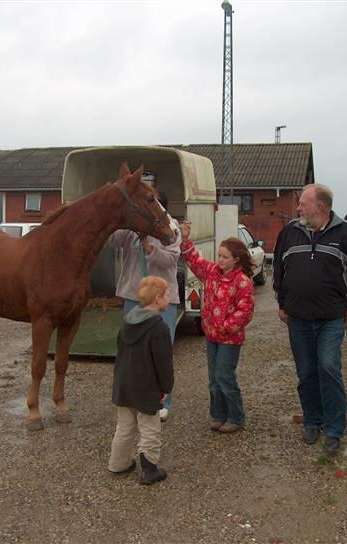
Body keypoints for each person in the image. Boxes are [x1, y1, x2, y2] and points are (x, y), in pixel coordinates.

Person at [273, 184, 347, 456]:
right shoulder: (290, 232)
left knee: (328, 368)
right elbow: (278, 270)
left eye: (303, 203)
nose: (298, 208)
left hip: (331, 318)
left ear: (320, 207)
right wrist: (282, 303)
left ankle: (334, 429)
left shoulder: (346, 232)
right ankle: (312, 421)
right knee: (306, 372)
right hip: (298, 319)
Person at [107, 191, 180, 421]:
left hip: (162, 299)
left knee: (161, 350)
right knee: (131, 349)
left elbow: (170, 260)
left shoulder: (172, 228)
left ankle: (163, 401)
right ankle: (133, 397)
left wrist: (149, 246)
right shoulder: (131, 228)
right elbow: (110, 240)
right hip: (133, 295)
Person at [180, 222, 255, 433]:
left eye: (224, 257)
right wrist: (186, 240)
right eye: (219, 255)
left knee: (224, 376)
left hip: (229, 339)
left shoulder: (242, 281)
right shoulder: (212, 272)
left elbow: (245, 311)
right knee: (213, 379)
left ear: (236, 259)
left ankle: (235, 417)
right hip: (211, 336)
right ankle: (218, 414)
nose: (220, 260)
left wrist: (226, 326)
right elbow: (194, 260)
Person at [108, 276, 174, 485]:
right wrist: (166, 387)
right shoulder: (159, 328)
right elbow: (163, 363)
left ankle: (118, 464)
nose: (169, 298)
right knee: (149, 427)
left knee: (125, 426)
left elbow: (119, 350)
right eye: (167, 295)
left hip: (124, 383)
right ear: (157, 298)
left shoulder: (128, 321)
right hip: (146, 387)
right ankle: (149, 470)